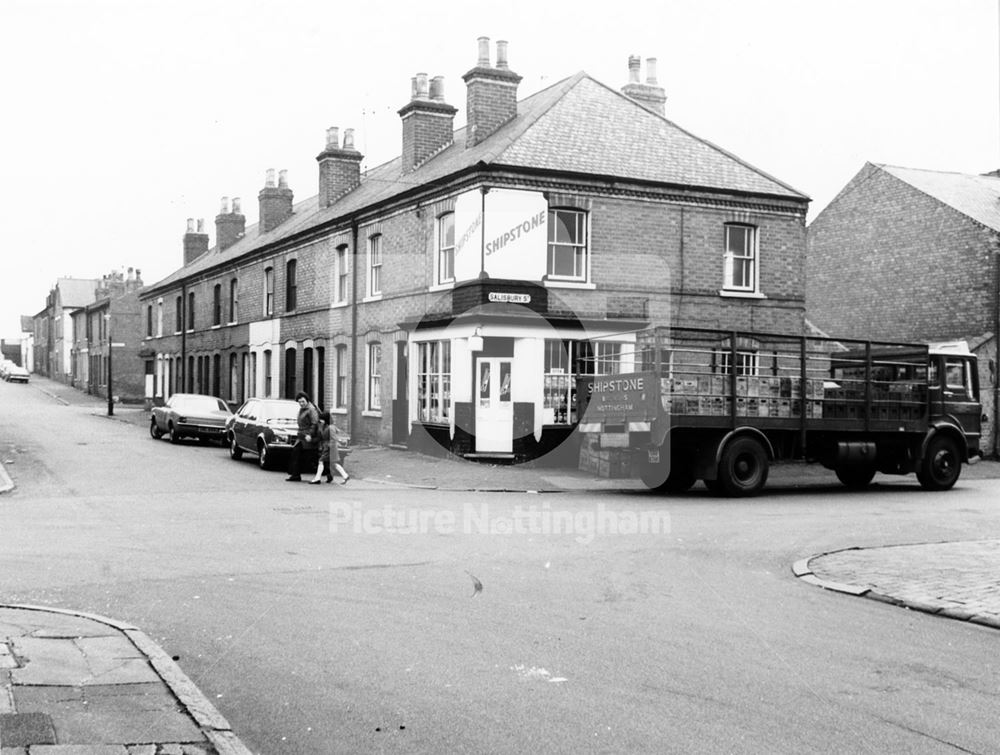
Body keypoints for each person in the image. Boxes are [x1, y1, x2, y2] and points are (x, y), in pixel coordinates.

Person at [285, 391, 319, 482]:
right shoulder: (302, 409)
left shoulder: (311, 410)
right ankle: (295, 475)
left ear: (307, 400)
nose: (301, 404)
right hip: (301, 436)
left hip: (307, 436)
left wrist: (310, 434)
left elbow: (314, 423)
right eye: (299, 402)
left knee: (310, 456)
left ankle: (326, 472)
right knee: (296, 454)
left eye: (303, 401)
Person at [310, 411, 351, 485]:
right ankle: (345, 475)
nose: (320, 421)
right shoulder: (329, 426)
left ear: (325, 419)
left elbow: (333, 438)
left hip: (329, 448)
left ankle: (317, 478)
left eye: (321, 419)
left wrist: (328, 447)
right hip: (330, 447)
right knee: (333, 463)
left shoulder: (330, 427)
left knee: (321, 461)